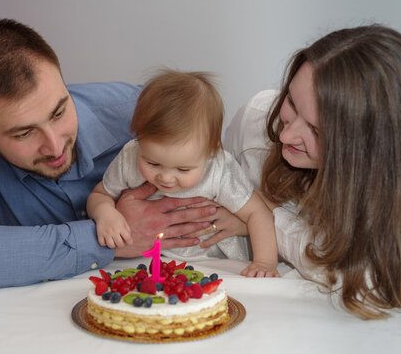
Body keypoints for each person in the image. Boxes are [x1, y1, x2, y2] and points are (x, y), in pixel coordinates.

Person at [0, 19, 216, 293]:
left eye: (59, 112)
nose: (54, 146)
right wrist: (110, 239)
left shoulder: (141, 112)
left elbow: (221, 179)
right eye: (24, 133)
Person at [213, 24, 401, 319]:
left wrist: (263, 217)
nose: (285, 136)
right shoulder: (256, 122)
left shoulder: (398, 198)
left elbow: (369, 281)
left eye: (316, 131)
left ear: (368, 153)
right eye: (291, 101)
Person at [87, 69, 279, 277]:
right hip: (147, 258)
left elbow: (257, 213)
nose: (166, 178)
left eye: (183, 169)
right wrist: (106, 214)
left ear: (210, 152)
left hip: (213, 260)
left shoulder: (219, 169)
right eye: (152, 163)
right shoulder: (130, 157)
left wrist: (265, 262)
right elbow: (100, 195)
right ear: (138, 140)